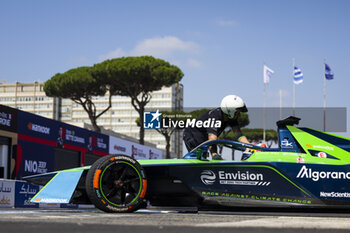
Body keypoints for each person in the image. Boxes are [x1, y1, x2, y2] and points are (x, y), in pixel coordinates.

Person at [183, 95, 249, 160]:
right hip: (192, 134)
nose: (240, 115)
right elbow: (212, 138)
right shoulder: (215, 116)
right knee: (199, 156)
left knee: (203, 156)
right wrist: (214, 154)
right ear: (230, 111)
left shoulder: (231, 118)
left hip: (205, 137)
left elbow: (239, 135)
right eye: (238, 112)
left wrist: (250, 147)